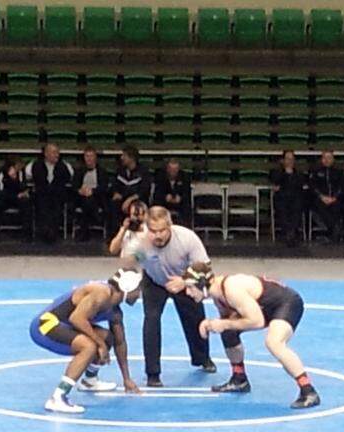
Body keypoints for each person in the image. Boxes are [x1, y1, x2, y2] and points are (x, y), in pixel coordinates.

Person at [183, 262, 320, 409]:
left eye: (190, 287)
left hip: (286, 303)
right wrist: (211, 324)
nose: (187, 292)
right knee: (228, 331)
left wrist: (223, 324)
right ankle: (239, 378)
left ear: (203, 284)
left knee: (274, 342)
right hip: (264, 307)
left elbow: (256, 321)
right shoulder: (218, 296)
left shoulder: (231, 289)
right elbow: (228, 321)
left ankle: (308, 390)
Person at [30, 268, 142, 413]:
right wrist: (99, 344)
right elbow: (77, 318)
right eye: (138, 290)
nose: (139, 295)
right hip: (44, 325)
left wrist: (127, 379)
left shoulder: (115, 311)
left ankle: (90, 381)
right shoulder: (101, 293)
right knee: (89, 347)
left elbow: (120, 342)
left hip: (62, 324)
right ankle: (58, 397)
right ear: (128, 287)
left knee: (107, 337)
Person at [129, 206, 216, 387]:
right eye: (153, 231)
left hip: (184, 278)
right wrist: (130, 287)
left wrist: (184, 281)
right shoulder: (140, 244)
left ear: (170, 226)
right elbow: (130, 265)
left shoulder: (187, 238)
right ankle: (153, 373)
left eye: (162, 230)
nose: (158, 235)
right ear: (147, 228)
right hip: (154, 281)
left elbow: (205, 268)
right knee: (151, 320)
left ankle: (202, 358)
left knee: (195, 318)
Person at [24, 143, 74, 244]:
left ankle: (52, 232)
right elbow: (30, 177)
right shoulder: (35, 165)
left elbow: (69, 178)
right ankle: (43, 231)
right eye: (54, 152)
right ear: (46, 154)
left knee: (56, 205)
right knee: (41, 204)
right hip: (41, 195)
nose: (57, 155)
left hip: (58, 196)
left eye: (57, 152)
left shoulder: (64, 166)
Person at [70, 146, 111, 242]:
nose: (89, 159)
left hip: (96, 197)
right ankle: (94, 217)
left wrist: (92, 191)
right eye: (87, 156)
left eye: (91, 156)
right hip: (81, 197)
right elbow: (74, 186)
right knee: (86, 201)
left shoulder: (102, 172)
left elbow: (104, 187)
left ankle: (84, 230)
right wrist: (80, 191)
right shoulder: (79, 171)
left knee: (90, 201)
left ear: (95, 158)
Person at [270, 150, 309, 247]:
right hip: (282, 198)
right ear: (283, 160)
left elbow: (302, 185)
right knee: (282, 208)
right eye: (287, 159)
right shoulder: (276, 172)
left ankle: (291, 233)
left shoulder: (299, 174)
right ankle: (289, 232)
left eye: (291, 159)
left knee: (298, 206)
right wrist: (285, 172)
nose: (290, 161)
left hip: (295, 198)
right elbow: (275, 182)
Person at [109, 145, 152, 234]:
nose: (121, 158)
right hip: (122, 199)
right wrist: (116, 192)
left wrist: (130, 199)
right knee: (112, 205)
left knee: (136, 208)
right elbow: (115, 185)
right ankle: (115, 235)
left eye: (124, 155)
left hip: (138, 200)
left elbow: (144, 190)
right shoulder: (120, 171)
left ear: (131, 158)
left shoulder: (143, 172)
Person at [0, 156, 30, 239]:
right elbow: (0, 190)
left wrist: (21, 191)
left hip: (18, 197)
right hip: (5, 197)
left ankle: (27, 232)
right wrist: (10, 180)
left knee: (27, 204)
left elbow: (23, 186)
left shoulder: (21, 173)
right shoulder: (1, 172)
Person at [308, 150, 344, 242]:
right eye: (325, 158)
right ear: (321, 159)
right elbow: (312, 187)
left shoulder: (339, 172)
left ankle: (334, 231)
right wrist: (321, 197)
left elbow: (342, 187)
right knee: (317, 205)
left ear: (333, 160)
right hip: (320, 199)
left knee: (339, 206)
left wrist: (334, 198)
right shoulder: (315, 172)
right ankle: (334, 228)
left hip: (334, 199)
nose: (327, 160)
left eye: (329, 158)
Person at [152, 158, 192, 226]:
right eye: (171, 169)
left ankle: (185, 226)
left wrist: (180, 198)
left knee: (187, 205)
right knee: (157, 204)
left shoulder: (185, 177)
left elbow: (187, 192)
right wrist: (165, 197)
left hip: (180, 203)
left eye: (175, 169)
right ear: (167, 169)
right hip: (164, 202)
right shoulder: (160, 177)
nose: (173, 171)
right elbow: (157, 192)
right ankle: (157, 224)